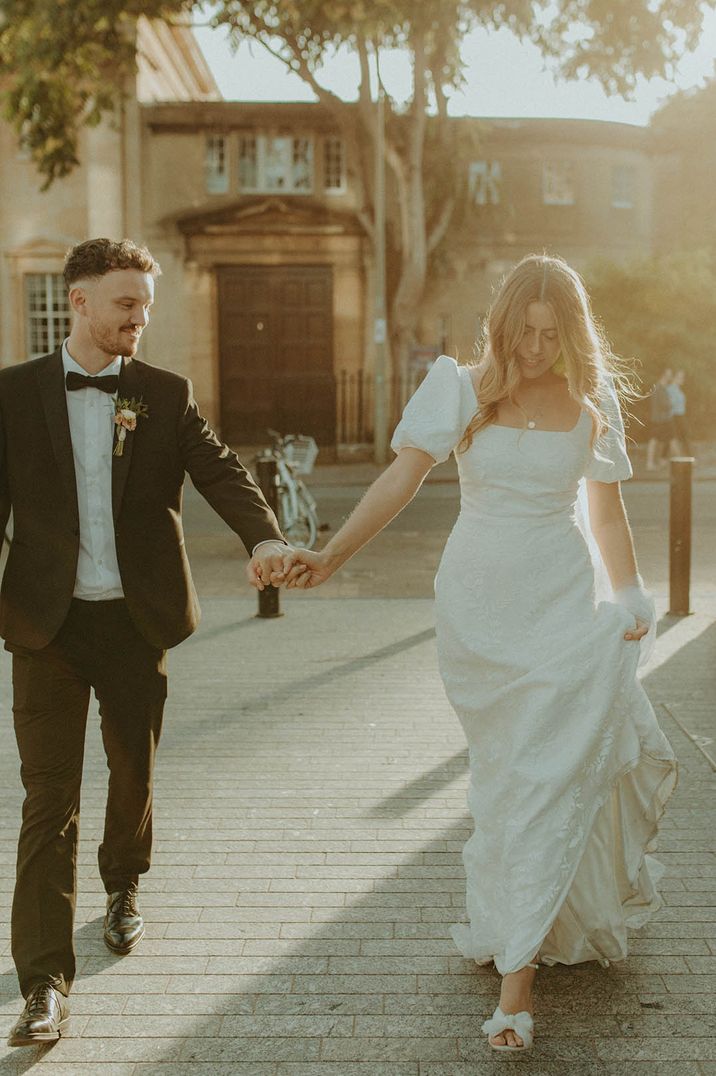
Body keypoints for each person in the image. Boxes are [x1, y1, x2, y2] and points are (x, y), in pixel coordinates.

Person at [263, 254, 678, 1053]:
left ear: (572, 332)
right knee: (508, 779)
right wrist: (332, 555)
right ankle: (519, 920)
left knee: (542, 779)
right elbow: (400, 479)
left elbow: (610, 514)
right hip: (479, 610)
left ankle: (516, 991)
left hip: (561, 602)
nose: (534, 348)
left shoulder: (593, 404)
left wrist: (628, 594)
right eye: (523, 331)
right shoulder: (459, 387)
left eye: (551, 335)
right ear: (503, 323)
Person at [1, 238, 291, 1047]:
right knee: (47, 802)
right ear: (80, 301)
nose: (141, 317)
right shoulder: (14, 394)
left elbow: (222, 470)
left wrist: (262, 540)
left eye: (147, 305)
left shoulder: (165, 392)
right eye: (126, 302)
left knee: (134, 769)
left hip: (136, 622)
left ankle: (124, 885)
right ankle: (44, 985)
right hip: (45, 628)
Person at [646, 368, 674, 470]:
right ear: (664, 375)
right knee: (654, 440)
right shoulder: (659, 388)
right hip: (659, 420)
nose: (671, 376)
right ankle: (651, 463)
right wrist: (671, 402)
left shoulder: (661, 388)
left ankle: (661, 461)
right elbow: (664, 404)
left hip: (662, 419)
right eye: (669, 374)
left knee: (665, 439)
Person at [667, 369, 691, 456]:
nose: (682, 379)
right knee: (678, 437)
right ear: (674, 378)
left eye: (682, 377)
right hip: (675, 416)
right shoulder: (670, 389)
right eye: (679, 377)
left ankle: (687, 456)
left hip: (681, 415)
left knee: (682, 436)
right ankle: (688, 456)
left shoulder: (678, 389)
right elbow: (670, 404)